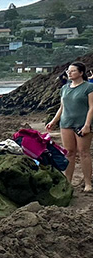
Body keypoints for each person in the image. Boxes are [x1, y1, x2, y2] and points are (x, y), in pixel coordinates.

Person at [46, 61, 93, 192]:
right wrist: (54, 121)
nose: (69, 73)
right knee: (69, 153)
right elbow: (62, 107)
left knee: (84, 153)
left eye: (72, 71)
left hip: (82, 124)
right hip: (66, 124)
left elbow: (92, 107)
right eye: (68, 71)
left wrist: (87, 125)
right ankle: (68, 182)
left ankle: (88, 183)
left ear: (81, 73)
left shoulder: (88, 87)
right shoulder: (65, 88)